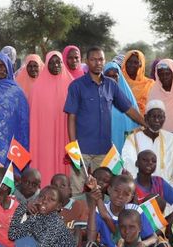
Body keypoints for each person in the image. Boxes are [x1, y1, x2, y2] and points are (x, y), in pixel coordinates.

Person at [65, 47, 145, 194]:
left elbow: (128, 108)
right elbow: (71, 117)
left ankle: (96, 216)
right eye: (94, 59)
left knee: (100, 191)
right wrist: (73, 147)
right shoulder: (77, 86)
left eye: (100, 59)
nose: (98, 63)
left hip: (103, 149)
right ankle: (75, 216)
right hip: (81, 148)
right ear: (87, 62)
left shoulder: (111, 85)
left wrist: (145, 123)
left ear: (104, 61)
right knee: (76, 189)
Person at [122, 100, 173, 188]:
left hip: (168, 184)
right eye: (153, 116)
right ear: (146, 118)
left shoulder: (172, 139)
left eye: (160, 117)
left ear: (164, 118)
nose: (157, 120)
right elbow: (128, 163)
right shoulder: (133, 138)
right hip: (142, 185)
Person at [29, 51, 73, 183]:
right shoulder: (37, 87)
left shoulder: (71, 85)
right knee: (45, 162)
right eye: (52, 62)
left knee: (64, 164)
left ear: (62, 63)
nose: (55, 65)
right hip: (44, 137)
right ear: (46, 64)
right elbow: (33, 117)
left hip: (65, 134)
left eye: (58, 62)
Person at [103, 61, 139, 152]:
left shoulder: (128, 97)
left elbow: (134, 125)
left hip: (126, 144)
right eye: (108, 76)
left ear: (119, 77)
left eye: (115, 76)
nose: (112, 79)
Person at [50, 173, 88, 246]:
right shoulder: (46, 207)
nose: (58, 189)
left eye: (63, 186)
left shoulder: (80, 206)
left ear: (70, 190)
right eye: (55, 186)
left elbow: (86, 233)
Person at [122, 50, 154, 115]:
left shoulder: (149, 84)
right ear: (125, 63)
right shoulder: (119, 81)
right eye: (129, 62)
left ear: (140, 65)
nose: (132, 65)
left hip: (143, 121)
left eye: (135, 62)